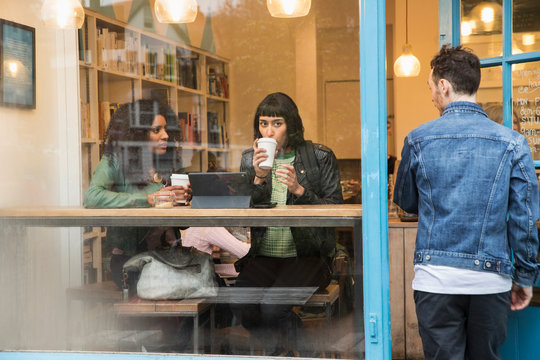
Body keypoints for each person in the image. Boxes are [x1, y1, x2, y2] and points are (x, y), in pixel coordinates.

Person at [393, 45, 539, 360]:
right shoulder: (513, 142)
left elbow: (406, 202)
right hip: (491, 280)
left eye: (430, 87)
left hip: (436, 279)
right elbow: (524, 220)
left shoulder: (417, 139)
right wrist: (525, 276)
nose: (431, 95)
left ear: (443, 86)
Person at [231, 92, 343, 356]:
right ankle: (279, 351)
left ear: (291, 125)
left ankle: (307, 354)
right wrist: (258, 178)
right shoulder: (250, 160)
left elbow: (336, 210)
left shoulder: (320, 156)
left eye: (277, 123)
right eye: (263, 123)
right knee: (238, 303)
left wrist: (300, 191)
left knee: (272, 307)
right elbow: (240, 214)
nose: (269, 131)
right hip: (264, 257)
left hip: (308, 257)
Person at [84, 99, 191, 289]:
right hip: (130, 261)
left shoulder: (170, 161)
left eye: (165, 129)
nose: (165, 135)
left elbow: (182, 224)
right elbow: (92, 196)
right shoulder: (115, 160)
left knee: (211, 285)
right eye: (156, 130)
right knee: (168, 290)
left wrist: (185, 202)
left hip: (170, 256)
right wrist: (148, 199)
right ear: (138, 134)